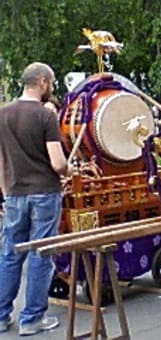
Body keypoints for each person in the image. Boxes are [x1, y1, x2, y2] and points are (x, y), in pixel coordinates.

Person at [0, 62, 72, 335]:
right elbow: (57, 163)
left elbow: (0, 161)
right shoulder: (44, 115)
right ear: (42, 82)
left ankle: (1, 315)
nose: (51, 88)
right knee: (42, 255)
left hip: (15, 193)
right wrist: (69, 168)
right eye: (51, 83)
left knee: (9, 255)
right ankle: (32, 319)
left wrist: (6, 192)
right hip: (44, 193)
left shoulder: (2, 114)